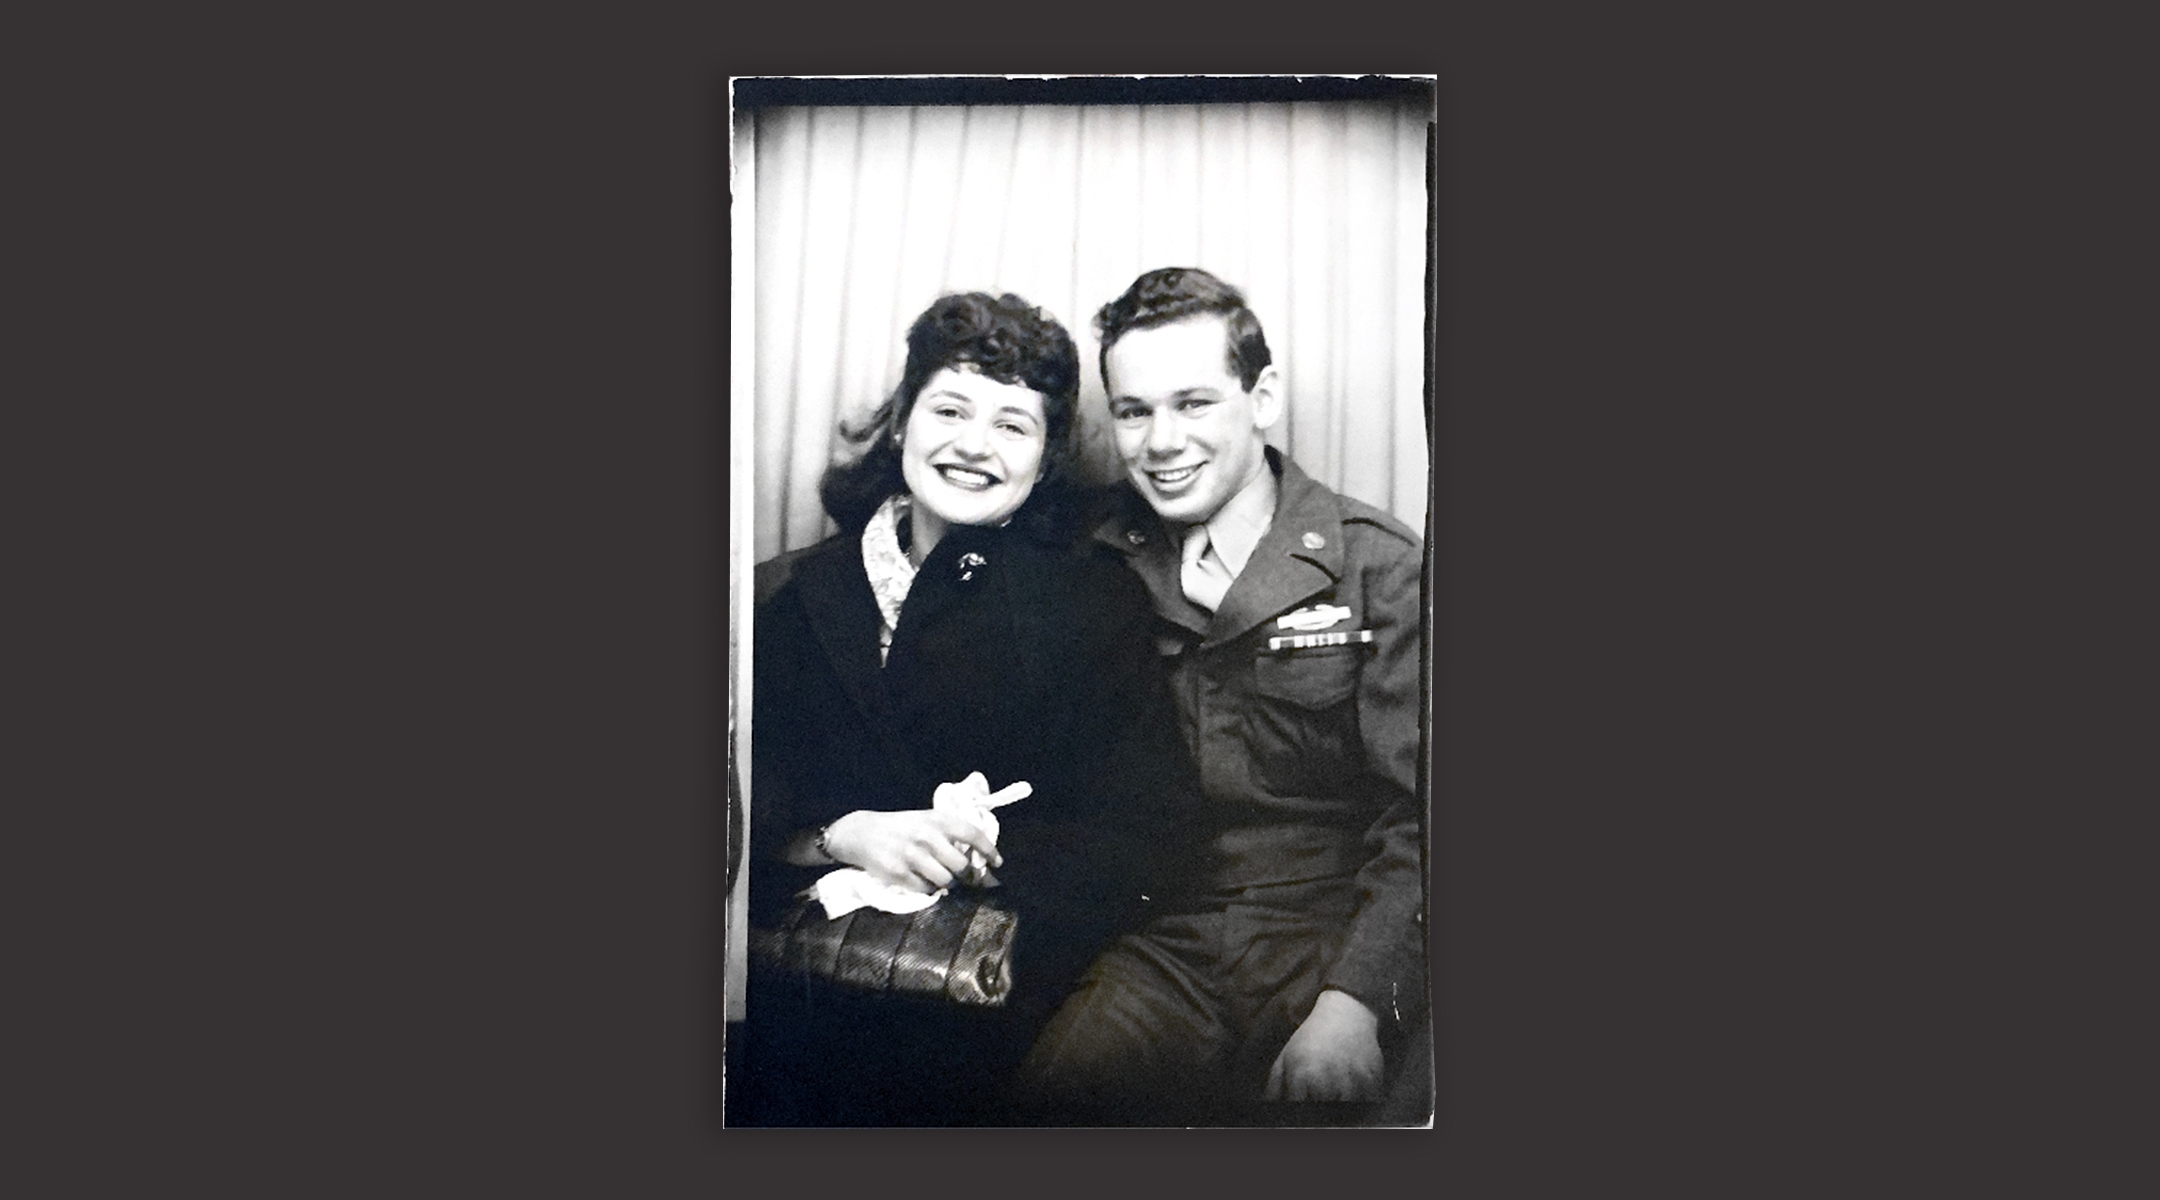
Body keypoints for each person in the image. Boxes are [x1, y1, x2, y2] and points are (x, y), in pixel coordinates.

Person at [731, 292, 1196, 1127]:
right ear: (902, 422)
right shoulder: (785, 595)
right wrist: (842, 834)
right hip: (790, 1007)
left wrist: (990, 854)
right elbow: (735, 809)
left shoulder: (1094, 603)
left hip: (982, 1021)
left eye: (1014, 424)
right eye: (950, 409)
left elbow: (1150, 835)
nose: (975, 445)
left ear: (1048, 455)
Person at [1013, 267, 1428, 1125]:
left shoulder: (1378, 566)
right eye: (1133, 411)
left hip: (1339, 932)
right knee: (1054, 1097)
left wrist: (1357, 1001)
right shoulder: (1090, 556)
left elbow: (1427, 818)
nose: (1161, 441)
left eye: (1194, 403)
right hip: (1168, 937)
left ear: (1262, 395)